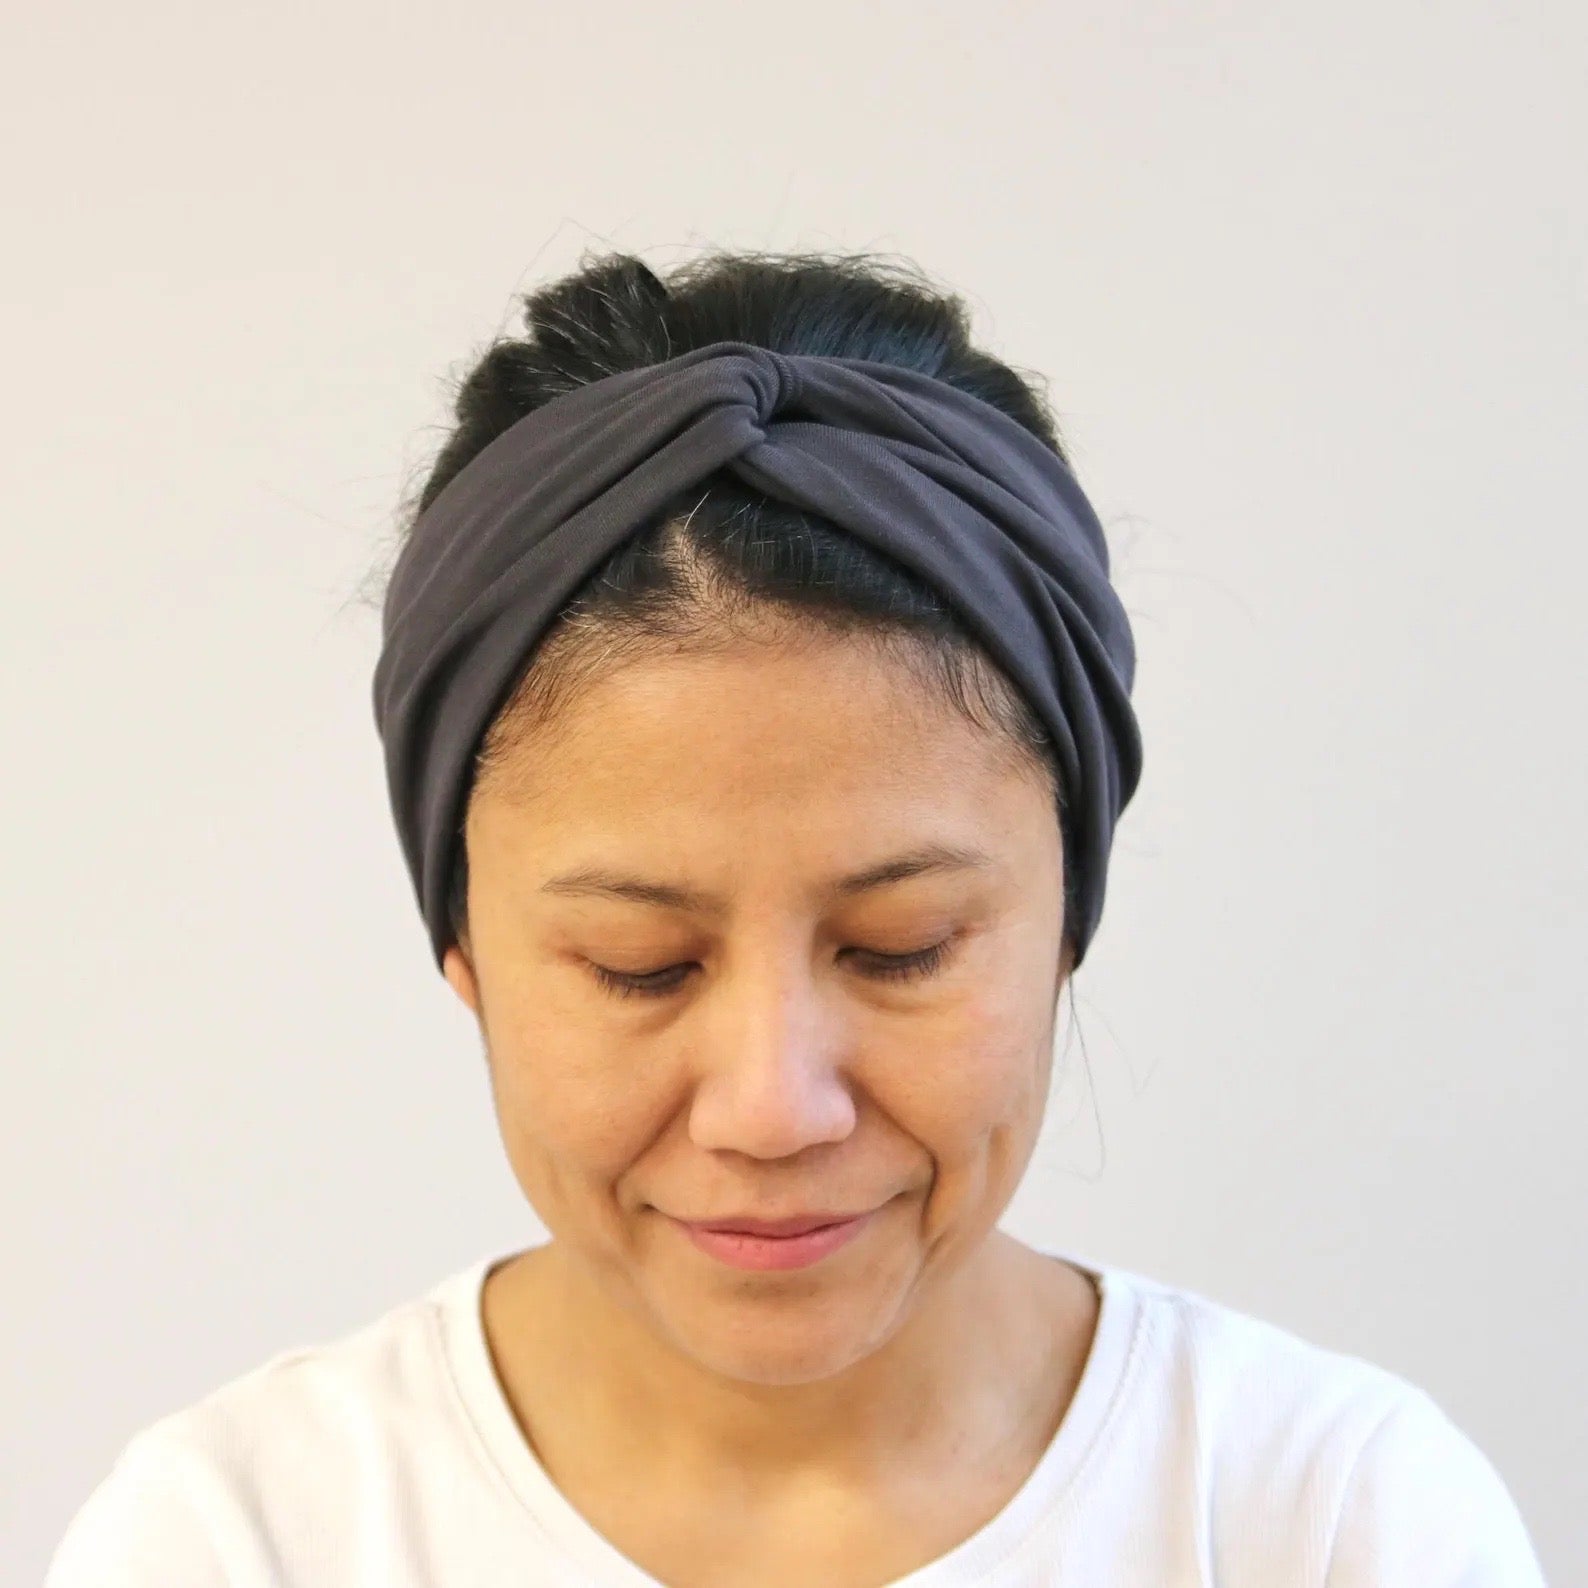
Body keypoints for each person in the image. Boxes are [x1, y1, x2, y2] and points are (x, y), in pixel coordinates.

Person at [46, 249, 1547, 1586]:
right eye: (641, 966)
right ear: (467, 954)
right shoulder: (241, 1542)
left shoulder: (1336, 1525)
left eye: (903, 947)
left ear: (1064, 926)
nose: (773, 1108)